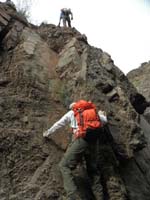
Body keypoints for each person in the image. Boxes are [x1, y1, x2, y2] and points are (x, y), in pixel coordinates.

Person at [43, 100, 107, 200]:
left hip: (81, 140)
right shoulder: (92, 112)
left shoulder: (72, 113)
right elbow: (104, 121)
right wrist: (102, 114)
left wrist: (48, 132)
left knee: (64, 165)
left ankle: (73, 196)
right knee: (93, 171)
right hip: (94, 142)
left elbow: (59, 123)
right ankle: (100, 197)